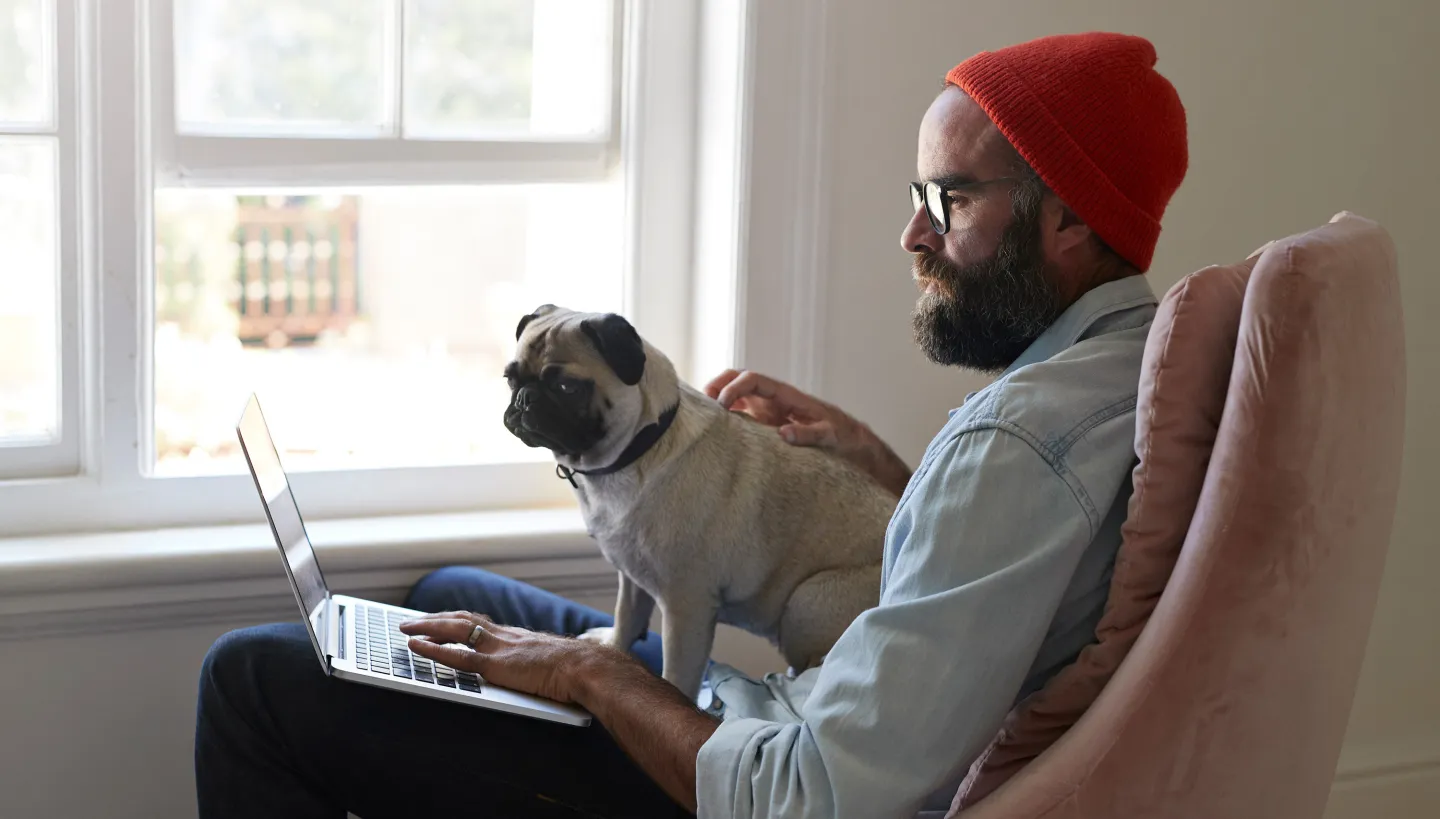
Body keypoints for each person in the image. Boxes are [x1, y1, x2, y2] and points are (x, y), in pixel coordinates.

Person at [195, 31, 1188, 819]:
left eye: (952, 199)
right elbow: (994, 574)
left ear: (1068, 221)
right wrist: (891, 473)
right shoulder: (1122, 369)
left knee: (248, 680)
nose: (912, 235)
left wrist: (596, 677)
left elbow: (809, 798)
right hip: (792, 730)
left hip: (761, 777)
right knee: (445, 596)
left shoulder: (1015, 443)